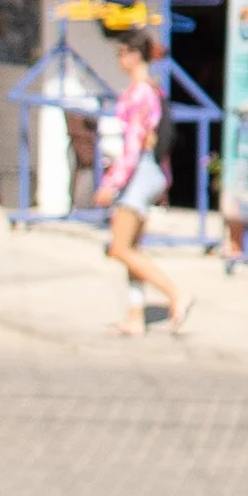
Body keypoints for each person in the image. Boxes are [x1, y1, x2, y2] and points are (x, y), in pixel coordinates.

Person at [97, 30, 189, 337]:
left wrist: (112, 182)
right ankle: (135, 315)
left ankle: (175, 293)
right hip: (149, 172)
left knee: (119, 247)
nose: (119, 59)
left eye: (121, 52)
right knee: (132, 248)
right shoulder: (154, 90)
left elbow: (134, 144)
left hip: (138, 174)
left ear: (134, 55)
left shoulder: (139, 93)